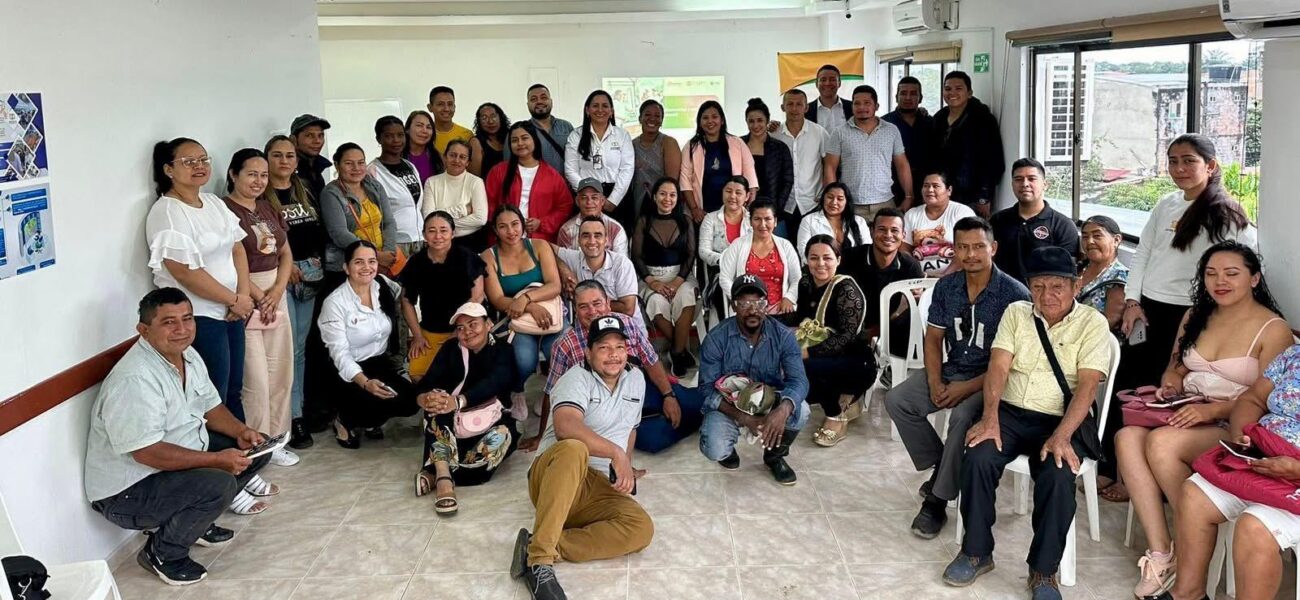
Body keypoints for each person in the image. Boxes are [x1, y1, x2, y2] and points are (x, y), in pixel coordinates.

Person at [1115, 242, 1289, 599]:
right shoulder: (1195, 315)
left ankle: (1190, 540)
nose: (1220, 281)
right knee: (1126, 437)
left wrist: (1212, 411)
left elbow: (1265, 399)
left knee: (1161, 443)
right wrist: (1170, 385)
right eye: (1211, 274)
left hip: (1232, 424)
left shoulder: (1274, 329)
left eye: (1231, 273)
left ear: (1254, 278)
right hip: (1185, 409)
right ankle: (1163, 552)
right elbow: (1175, 368)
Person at [943, 246, 1111, 599]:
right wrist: (990, 418)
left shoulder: (1092, 323)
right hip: (1011, 412)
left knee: (1058, 474)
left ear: (1075, 285)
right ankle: (976, 552)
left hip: (1062, 418)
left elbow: (1087, 387)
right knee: (978, 456)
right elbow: (998, 367)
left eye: (1057, 286)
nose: (1047, 295)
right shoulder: (1017, 313)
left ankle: (1043, 571)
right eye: (1038, 286)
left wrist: (1062, 436)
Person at [85, 289, 279, 586]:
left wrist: (243, 432)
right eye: (169, 322)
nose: (182, 329)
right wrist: (216, 460)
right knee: (219, 483)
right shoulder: (135, 378)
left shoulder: (187, 355)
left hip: (166, 465)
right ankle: (163, 554)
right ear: (144, 330)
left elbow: (212, 407)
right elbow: (147, 453)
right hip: (126, 491)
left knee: (257, 449)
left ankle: (193, 524)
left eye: (187, 319)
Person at [885, 216, 1029, 539]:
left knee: (962, 416)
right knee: (898, 400)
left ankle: (937, 500)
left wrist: (967, 387)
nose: (970, 254)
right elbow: (933, 339)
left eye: (978, 247)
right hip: (954, 368)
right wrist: (935, 381)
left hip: (993, 379)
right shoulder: (947, 287)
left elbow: (1015, 361)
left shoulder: (1015, 295)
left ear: (993, 248)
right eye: (962, 247)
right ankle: (944, 466)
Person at [510, 316, 654, 600]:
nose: (613, 354)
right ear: (588, 353)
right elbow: (566, 427)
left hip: (595, 484)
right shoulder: (575, 378)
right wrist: (614, 453)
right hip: (555, 474)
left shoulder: (636, 378)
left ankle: (543, 543)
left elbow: (631, 428)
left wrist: (624, 464)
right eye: (604, 348)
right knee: (575, 448)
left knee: (641, 528)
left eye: (619, 347)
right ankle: (540, 561)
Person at [1150, 344, 1300, 600]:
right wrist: (1241, 438)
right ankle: (1188, 593)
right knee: (1194, 494)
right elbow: (1252, 399)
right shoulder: (1294, 355)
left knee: (1254, 527)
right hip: (1264, 459)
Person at [1120, 133, 1258, 392]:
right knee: (1132, 384)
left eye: (1188, 160)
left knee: (1171, 387)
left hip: (1193, 312)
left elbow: (1247, 264)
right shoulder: (1166, 204)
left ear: (1210, 165)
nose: (1179, 168)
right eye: (1173, 161)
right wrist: (1132, 301)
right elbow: (1143, 253)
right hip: (1149, 308)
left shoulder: (1227, 213)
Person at [146, 138, 254, 422]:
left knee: (234, 389)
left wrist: (242, 297)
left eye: (203, 160)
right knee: (212, 397)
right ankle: (217, 450)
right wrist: (233, 299)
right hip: (200, 317)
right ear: (169, 169)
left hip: (233, 311)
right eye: (189, 162)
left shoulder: (214, 202)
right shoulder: (168, 211)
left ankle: (243, 447)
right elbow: (183, 271)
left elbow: (237, 248)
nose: (199, 166)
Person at [537, 279, 703, 454]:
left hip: (642, 388)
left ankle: (696, 415)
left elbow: (651, 361)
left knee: (698, 404)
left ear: (608, 303)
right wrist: (541, 436)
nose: (592, 311)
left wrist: (668, 395)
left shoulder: (626, 323)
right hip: (605, 410)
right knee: (654, 439)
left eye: (597, 303)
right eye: (583, 306)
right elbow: (552, 391)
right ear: (575, 310)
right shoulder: (564, 345)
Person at [698, 274, 810, 484]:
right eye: (744, 303)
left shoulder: (783, 336)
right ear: (733, 305)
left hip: (769, 399)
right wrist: (745, 419)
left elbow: (799, 381)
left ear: (767, 305)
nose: (752, 310)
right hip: (730, 403)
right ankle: (727, 449)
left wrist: (782, 411)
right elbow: (705, 389)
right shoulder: (716, 338)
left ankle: (774, 455)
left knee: (800, 410)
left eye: (759, 303)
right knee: (715, 448)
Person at [222, 149, 296, 466]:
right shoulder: (224, 210)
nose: (258, 181)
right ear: (233, 174)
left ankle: (277, 440)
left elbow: (286, 253)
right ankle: (257, 443)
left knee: (280, 370)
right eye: (251, 174)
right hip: (245, 292)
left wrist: (277, 291)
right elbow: (231, 259)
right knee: (256, 378)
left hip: (276, 291)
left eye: (263, 175)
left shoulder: (267, 207)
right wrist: (258, 296)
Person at [413, 302, 518, 515]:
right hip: (452, 422)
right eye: (460, 328)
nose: (467, 331)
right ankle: (444, 480)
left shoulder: (503, 349)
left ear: (488, 324)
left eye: (473, 324)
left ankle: (434, 470)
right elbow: (427, 382)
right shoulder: (451, 348)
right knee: (436, 408)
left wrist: (459, 401)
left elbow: (496, 382)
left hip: (490, 421)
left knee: (498, 444)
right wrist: (425, 399)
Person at [318, 240, 419, 448]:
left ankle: (373, 419)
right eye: (359, 262)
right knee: (372, 404)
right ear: (346, 267)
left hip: (379, 363)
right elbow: (340, 354)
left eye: (371, 261)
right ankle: (344, 420)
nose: (366, 267)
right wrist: (365, 383)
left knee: (410, 401)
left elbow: (406, 295)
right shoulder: (334, 303)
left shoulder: (382, 285)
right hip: (346, 371)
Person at [265, 135, 328, 450]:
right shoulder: (262, 195)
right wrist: (284, 265)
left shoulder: (304, 189)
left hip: (310, 273)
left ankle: (298, 410)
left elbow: (317, 231)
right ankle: (287, 417)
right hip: (280, 277)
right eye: (277, 155)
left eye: (289, 155)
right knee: (285, 349)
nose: (284, 161)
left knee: (300, 349)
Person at [482, 204, 565, 422]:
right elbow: (497, 299)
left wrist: (527, 298)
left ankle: (549, 393)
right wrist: (528, 307)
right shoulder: (489, 256)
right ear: (495, 230)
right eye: (503, 226)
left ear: (522, 224)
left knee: (559, 352)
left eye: (515, 224)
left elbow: (555, 285)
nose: (511, 231)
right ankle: (517, 390)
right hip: (516, 318)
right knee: (524, 360)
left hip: (550, 313)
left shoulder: (539, 246)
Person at [798, 235, 874, 447]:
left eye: (827, 258)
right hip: (826, 356)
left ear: (838, 260)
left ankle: (836, 414)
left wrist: (808, 352)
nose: (820, 263)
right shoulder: (806, 282)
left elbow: (847, 337)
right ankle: (845, 399)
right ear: (806, 260)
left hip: (856, 362)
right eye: (814, 258)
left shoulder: (846, 289)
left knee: (804, 365)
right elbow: (801, 317)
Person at [400, 211, 487, 381]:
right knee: (418, 376)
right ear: (424, 234)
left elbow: (477, 297)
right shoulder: (416, 262)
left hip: (466, 328)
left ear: (453, 233)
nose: (438, 236)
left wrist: (459, 330)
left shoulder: (467, 257)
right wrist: (417, 336)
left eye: (443, 230)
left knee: (464, 375)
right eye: (432, 231)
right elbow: (406, 301)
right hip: (430, 330)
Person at [632, 178, 698, 375]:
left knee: (687, 296)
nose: (667, 199)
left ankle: (676, 352)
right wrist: (651, 281)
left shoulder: (685, 221)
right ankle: (681, 351)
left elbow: (691, 254)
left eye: (672, 195)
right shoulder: (644, 221)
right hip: (651, 277)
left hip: (681, 276)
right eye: (662, 194)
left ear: (678, 198)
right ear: (654, 197)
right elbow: (636, 256)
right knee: (656, 303)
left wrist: (678, 280)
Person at [841, 208, 926, 359]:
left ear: (903, 235)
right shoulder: (849, 258)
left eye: (894, 230)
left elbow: (912, 309)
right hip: (851, 332)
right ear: (872, 231)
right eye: (882, 229)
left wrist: (881, 328)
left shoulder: (910, 266)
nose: (888, 235)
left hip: (892, 332)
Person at [824, 85, 914, 223]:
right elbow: (830, 167)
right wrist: (833, 200)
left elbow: (902, 164)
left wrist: (909, 196)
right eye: (857, 103)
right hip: (850, 203)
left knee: (886, 237)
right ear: (852, 106)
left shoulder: (891, 130)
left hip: (885, 202)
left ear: (876, 106)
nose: (861, 107)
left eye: (867, 103)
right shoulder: (839, 132)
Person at [990, 158, 1080, 284]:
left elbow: (1067, 274)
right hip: (1002, 291)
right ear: (1012, 184)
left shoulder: (1063, 225)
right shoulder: (997, 220)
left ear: (1045, 185)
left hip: (1042, 294)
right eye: (1018, 179)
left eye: (1032, 179)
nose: (1025, 184)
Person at [319, 143, 398, 281]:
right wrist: (375, 256)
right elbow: (340, 234)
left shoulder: (374, 185)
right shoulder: (331, 193)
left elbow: (389, 222)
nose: (356, 168)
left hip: (383, 261)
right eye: (349, 163)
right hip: (350, 265)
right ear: (337, 165)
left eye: (361, 162)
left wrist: (388, 253)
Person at [486, 121, 574, 244]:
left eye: (524, 138)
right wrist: (502, 225)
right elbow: (488, 203)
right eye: (514, 140)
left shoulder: (553, 176)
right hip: (505, 241)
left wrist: (542, 223)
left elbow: (564, 207)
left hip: (539, 241)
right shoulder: (498, 172)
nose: (520, 143)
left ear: (534, 140)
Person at [932, 71, 1004, 218]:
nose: (952, 93)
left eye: (958, 88)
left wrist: (984, 196)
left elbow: (992, 161)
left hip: (972, 196)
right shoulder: (939, 118)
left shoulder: (983, 119)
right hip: (942, 192)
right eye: (948, 89)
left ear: (969, 93)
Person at [564, 90, 636, 230]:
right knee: (589, 238)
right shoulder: (576, 136)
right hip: (587, 197)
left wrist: (613, 200)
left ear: (612, 111)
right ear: (587, 110)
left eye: (605, 106)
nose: (600, 110)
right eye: (595, 106)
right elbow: (570, 170)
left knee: (617, 238)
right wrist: (588, 196)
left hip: (616, 198)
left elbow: (627, 169)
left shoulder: (622, 135)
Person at [679, 100, 758, 223]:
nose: (710, 121)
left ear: (722, 120)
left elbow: (750, 175)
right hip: (702, 213)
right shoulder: (691, 146)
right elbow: (685, 180)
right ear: (700, 122)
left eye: (714, 117)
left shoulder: (737, 143)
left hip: (734, 211)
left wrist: (748, 206)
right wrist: (694, 209)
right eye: (705, 118)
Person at [718, 199, 801, 316]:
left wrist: (789, 298)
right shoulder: (738, 244)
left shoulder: (785, 245)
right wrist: (742, 301)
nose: (763, 224)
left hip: (780, 310)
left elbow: (797, 278)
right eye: (757, 219)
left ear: (775, 221)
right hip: (747, 312)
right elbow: (724, 278)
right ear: (750, 222)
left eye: (768, 219)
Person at [554, 215, 640, 320]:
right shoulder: (574, 257)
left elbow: (628, 309)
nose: (592, 241)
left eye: (597, 235)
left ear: (606, 240)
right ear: (579, 240)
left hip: (624, 324)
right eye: (586, 236)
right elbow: (542, 245)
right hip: (589, 325)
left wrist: (592, 304)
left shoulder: (622, 264)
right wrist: (564, 270)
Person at [772, 88, 829, 241]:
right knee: (785, 248)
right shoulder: (774, 134)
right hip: (784, 204)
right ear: (783, 107)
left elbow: (829, 165)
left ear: (806, 107)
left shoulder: (819, 133)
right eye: (790, 104)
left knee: (812, 247)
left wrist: (825, 193)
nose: (794, 108)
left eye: (799, 104)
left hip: (812, 202)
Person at [367, 116, 424, 256]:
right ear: (379, 139)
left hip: (420, 239)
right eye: (389, 136)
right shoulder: (372, 171)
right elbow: (373, 214)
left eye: (400, 135)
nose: (396, 140)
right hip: (395, 243)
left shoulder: (410, 166)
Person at [902, 171, 976, 276]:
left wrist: (944, 278)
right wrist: (916, 273)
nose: (930, 190)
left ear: (949, 190)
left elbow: (968, 250)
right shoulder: (912, 214)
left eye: (935, 186)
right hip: (919, 278)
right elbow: (904, 249)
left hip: (955, 277)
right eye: (926, 186)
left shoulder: (962, 212)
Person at [422, 139, 489, 252]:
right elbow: (429, 218)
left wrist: (442, 224)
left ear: (468, 162)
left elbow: (480, 219)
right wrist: (463, 210)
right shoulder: (431, 182)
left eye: (462, 157)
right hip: (439, 241)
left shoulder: (476, 182)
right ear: (445, 157)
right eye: (452, 155)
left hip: (471, 242)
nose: (457, 160)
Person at [742, 97, 794, 235]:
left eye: (760, 120)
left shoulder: (780, 148)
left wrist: (776, 208)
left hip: (773, 213)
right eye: (751, 121)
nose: (755, 125)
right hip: (744, 213)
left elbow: (788, 180)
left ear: (767, 121)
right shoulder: (739, 144)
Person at [882, 76, 936, 203]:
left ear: (920, 98)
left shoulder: (931, 123)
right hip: (892, 189)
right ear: (896, 97)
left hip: (926, 188)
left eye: (913, 94)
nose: (908, 98)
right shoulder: (883, 124)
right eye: (903, 93)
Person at [630, 99, 682, 217]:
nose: (652, 119)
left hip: (664, 203)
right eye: (647, 115)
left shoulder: (668, 143)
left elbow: (671, 182)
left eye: (657, 116)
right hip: (637, 201)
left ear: (662, 121)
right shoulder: (631, 144)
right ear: (640, 118)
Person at [1076, 215, 1128, 330]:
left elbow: (1109, 322)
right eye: (1085, 237)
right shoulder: (1077, 269)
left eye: (1097, 236)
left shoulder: (1119, 277)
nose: (1090, 241)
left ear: (1116, 240)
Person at [795, 181, 869, 259]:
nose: (834, 202)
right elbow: (803, 251)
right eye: (830, 197)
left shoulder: (859, 221)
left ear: (846, 202)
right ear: (823, 198)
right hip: (820, 265)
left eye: (840, 199)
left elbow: (867, 249)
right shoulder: (808, 220)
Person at [555, 178, 628, 254]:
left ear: (602, 201)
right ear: (577, 201)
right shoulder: (566, 231)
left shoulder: (616, 229)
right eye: (584, 198)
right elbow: (562, 260)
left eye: (594, 198)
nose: (589, 202)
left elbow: (621, 260)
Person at [524, 83, 575, 175]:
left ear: (551, 101)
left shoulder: (566, 126)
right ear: (528, 104)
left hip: (565, 183)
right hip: (536, 183)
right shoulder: (522, 130)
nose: (539, 101)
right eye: (534, 99)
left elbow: (577, 158)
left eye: (543, 97)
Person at [290, 114, 331, 200]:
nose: (317, 141)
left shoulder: (317, 167)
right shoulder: (287, 170)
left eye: (320, 136)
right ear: (293, 139)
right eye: (309, 135)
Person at [427, 85, 474, 155]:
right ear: (430, 107)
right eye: (440, 104)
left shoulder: (467, 135)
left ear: (454, 107)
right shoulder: (424, 134)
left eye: (450, 104)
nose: (446, 109)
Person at [404, 110, 447, 185]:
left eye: (428, 127)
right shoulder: (397, 157)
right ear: (407, 129)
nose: (424, 131)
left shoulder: (439, 158)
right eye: (419, 125)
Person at [806, 64, 853, 130]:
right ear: (816, 84)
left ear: (839, 83)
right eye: (823, 80)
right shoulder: (805, 111)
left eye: (832, 79)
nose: (827, 83)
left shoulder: (852, 107)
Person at [470, 102, 510, 178]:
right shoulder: (476, 142)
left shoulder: (511, 137)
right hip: (486, 185)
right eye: (484, 118)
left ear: (500, 117)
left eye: (493, 116)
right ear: (479, 122)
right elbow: (475, 178)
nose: (490, 121)